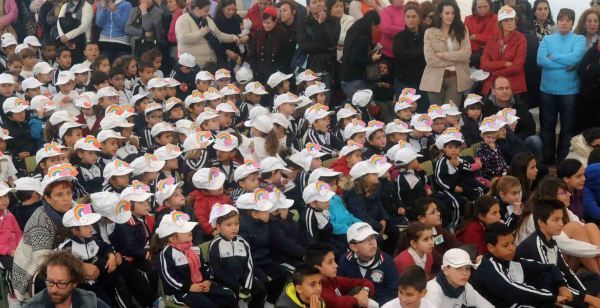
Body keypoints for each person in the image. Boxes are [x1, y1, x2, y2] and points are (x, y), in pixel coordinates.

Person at [12, 163, 89, 301]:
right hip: (33, 273)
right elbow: (44, 261)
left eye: (69, 193)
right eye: (59, 194)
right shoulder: (40, 221)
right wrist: (81, 267)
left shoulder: (74, 208)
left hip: (67, 258)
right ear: (47, 198)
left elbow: (89, 232)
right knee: (73, 284)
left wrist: (109, 253)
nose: (67, 198)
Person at [516, 198, 600, 307]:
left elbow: (566, 271)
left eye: (561, 219)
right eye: (556, 220)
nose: (561, 224)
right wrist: (589, 299)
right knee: (553, 283)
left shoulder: (551, 241)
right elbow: (552, 280)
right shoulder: (535, 244)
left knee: (592, 277)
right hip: (540, 291)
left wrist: (586, 295)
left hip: (558, 285)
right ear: (541, 222)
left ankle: (582, 302)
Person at [471, 222, 570, 307]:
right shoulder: (489, 267)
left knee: (545, 275)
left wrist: (562, 285)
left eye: (513, 243)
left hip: (515, 302)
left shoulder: (512, 259)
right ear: (491, 248)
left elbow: (550, 267)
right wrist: (552, 298)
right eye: (505, 245)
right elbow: (514, 290)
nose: (512, 248)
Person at [155, 211, 238, 307]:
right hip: (181, 292)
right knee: (206, 305)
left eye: (189, 229)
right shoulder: (167, 253)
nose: (190, 231)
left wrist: (207, 281)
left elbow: (204, 267)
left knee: (229, 296)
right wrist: (189, 287)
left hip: (201, 286)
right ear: (172, 239)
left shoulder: (195, 249)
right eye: (185, 230)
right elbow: (168, 277)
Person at [537, 8, 586, 165]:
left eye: (568, 19)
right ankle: (547, 159)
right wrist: (566, 63)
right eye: (561, 19)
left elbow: (576, 57)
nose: (564, 22)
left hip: (570, 91)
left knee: (567, 128)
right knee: (547, 128)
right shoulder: (547, 39)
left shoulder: (579, 39)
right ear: (557, 21)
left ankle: (563, 161)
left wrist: (554, 57)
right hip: (547, 90)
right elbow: (541, 61)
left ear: (572, 22)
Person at [420, 0, 471, 108]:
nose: (450, 16)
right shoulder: (429, 32)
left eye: (453, 13)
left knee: (451, 116)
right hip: (434, 79)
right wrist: (457, 57)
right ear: (440, 14)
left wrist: (444, 55)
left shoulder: (462, 30)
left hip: (456, 78)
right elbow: (430, 59)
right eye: (447, 13)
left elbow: (466, 54)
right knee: (438, 117)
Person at [338, 222, 399, 305]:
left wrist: (373, 304)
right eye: (365, 240)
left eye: (373, 238)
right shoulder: (345, 261)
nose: (372, 243)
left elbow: (393, 291)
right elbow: (340, 288)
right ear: (354, 247)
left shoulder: (387, 261)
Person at [22, 250, 110, 307]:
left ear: (74, 282)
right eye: (50, 282)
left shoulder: (91, 302)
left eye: (61, 283)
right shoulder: (32, 306)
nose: (53, 289)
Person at [481, 76, 541, 158]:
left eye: (507, 88)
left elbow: (530, 127)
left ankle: (534, 167)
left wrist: (516, 140)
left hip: (519, 140)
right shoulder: (487, 106)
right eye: (501, 88)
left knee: (535, 140)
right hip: (497, 142)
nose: (505, 91)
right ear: (493, 91)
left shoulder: (519, 104)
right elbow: (484, 130)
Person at [304, 242, 376, 308]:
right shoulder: (318, 292)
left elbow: (365, 282)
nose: (336, 265)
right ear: (317, 267)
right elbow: (337, 303)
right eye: (330, 262)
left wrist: (365, 291)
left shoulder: (331, 278)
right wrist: (358, 299)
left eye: (334, 260)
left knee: (360, 289)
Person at [174, 0, 239, 68]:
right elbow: (184, 38)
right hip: (192, 65)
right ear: (197, 9)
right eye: (206, 11)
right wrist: (201, 32)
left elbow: (219, 35)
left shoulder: (207, 19)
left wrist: (233, 37)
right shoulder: (183, 19)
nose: (208, 13)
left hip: (210, 63)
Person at [480, 6, 527, 96]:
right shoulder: (493, 38)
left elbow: (517, 67)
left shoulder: (521, 39)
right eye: (506, 20)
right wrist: (504, 64)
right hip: (493, 86)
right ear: (500, 23)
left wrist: (494, 72)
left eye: (511, 20)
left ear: (515, 21)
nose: (509, 23)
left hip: (512, 87)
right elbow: (484, 64)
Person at [424, 248, 492, 307]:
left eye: (468, 268)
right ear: (446, 270)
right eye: (459, 268)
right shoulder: (432, 290)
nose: (465, 273)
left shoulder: (466, 287)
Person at [297, 0, 340, 88]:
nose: (318, 4)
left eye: (320, 1)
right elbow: (305, 46)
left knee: (324, 97)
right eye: (314, 2)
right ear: (308, 6)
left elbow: (332, 42)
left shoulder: (333, 21)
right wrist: (323, 46)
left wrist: (321, 24)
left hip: (328, 65)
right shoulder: (304, 22)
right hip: (310, 66)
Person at [248, 6, 294, 84]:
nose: (265, 25)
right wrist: (254, 70)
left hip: (276, 76)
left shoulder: (283, 35)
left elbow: (287, 58)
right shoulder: (258, 34)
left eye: (268, 23)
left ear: (275, 21)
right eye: (264, 22)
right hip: (259, 75)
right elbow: (252, 53)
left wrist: (279, 73)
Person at [392, 3, 427, 103]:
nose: (410, 20)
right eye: (408, 17)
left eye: (413, 17)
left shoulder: (426, 34)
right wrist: (421, 51)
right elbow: (400, 55)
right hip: (404, 81)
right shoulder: (399, 37)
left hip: (422, 81)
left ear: (419, 18)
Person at [464, 0, 498, 68]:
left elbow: (495, 38)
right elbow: (464, 37)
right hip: (470, 50)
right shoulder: (468, 19)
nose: (483, 9)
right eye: (479, 7)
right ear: (475, 7)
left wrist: (475, 37)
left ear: (490, 6)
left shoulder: (496, 18)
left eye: (485, 7)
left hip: (487, 51)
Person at [578, 41, 600, 131]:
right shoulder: (592, 51)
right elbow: (580, 72)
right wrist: (595, 68)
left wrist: (591, 68)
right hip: (589, 99)